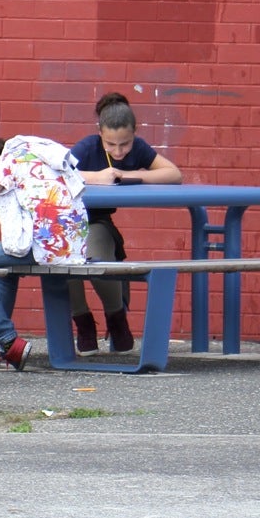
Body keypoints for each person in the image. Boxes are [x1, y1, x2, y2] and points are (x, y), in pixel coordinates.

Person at [0, 134, 96, 371]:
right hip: (68, 246)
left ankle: (8, 340)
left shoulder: (7, 162)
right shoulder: (38, 159)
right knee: (6, 272)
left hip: (41, 246)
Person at [66, 91, 183, 353]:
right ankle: (83, 322)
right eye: (111, 144)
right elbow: (59, 172)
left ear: (134, 134)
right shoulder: (87, 147)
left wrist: (128, 175)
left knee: (98, 262)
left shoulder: (139, 148)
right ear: (100, 134)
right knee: (62, 262)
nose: (118, 151)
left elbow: (174, 173)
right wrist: (97, 176)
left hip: (98, 221)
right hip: (70, 222)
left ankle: (116, 317)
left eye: (125, 144)